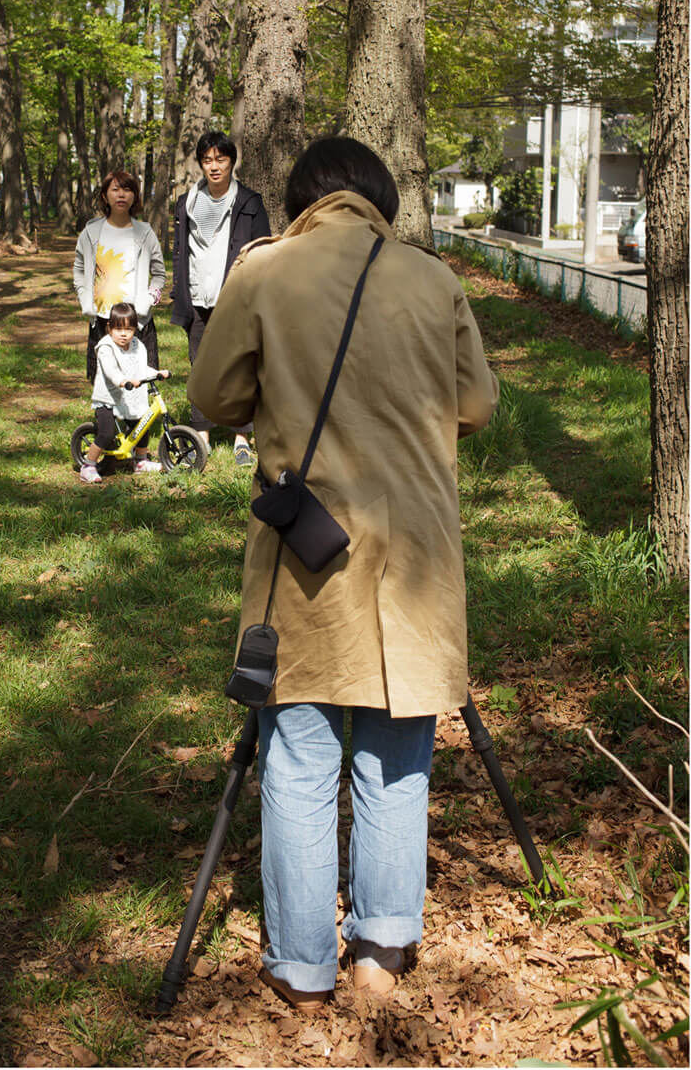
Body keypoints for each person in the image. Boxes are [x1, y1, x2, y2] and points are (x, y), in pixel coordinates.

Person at [188, 137, 499, 1010]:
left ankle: (301, 966)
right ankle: (383, 948)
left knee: (297, 757)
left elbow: (211, 400)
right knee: (399, 755)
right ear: (378, 200)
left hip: (309, 555)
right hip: (417, 557)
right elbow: (476, 405)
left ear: (301, 200)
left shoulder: (264, 270)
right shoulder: (433, 280)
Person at [170, 131, 271, 466]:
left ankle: (242, 436)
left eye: (221, 159)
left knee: (240, 367)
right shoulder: (186, 203)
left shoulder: (249, 202)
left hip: (236, 300)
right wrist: (178, 293)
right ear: (200, 163)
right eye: (207, 160)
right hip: (197, 296)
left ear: (231, 162)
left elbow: (262, 251)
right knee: (200, 366)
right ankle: (202, 434)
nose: (214, 166)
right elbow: (181, 253)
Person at [73, 170, 165, 383]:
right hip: (103, 318)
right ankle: (104, 418)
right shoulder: (91, 232)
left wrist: (148, 299)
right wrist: (84, 296)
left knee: (139, 381)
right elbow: (78, 269)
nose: (121, 195)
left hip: (136, 321)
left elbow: (159, 274)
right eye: (115, 189)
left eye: (127, 189)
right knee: (104, 383)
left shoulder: (145, 233)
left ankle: (136, 418)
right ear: (105, 196)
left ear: (135, 196)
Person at [79, 302, 168, 485]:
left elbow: (141, 367)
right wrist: (123, 381)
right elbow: (111, 371)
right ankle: (88, 465)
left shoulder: (136, 345)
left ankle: (140, 461)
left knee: (142, 423)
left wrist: (156, 373)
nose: (124, 334)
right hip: (108, 400)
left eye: (128, 329)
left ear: (135, 329)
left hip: (128, 397)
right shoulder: (106, 347)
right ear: (109, 328)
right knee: (106, 433)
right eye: (119, 329)